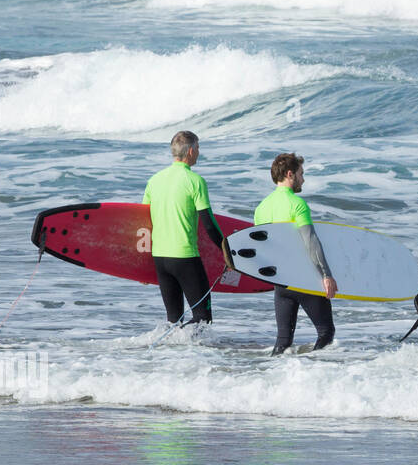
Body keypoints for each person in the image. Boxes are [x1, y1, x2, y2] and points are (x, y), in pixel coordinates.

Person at [142, 130, 233, 326]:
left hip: (159, 258)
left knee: (174, 320)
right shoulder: (195, 181)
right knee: (203, 319)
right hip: (185, 257)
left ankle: (175, 355)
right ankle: (195, 355)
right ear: (190, 151)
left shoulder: (154, 180)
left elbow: (143, 225)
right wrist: (226, 251)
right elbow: (208, 223)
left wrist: (139, 265)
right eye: (198, 148)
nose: (199, 153)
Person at [254, 152, 338, 355]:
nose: (304, 179)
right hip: (303, 279)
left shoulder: (261, 208)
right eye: (301, 173)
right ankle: (315, 377)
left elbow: (262, 246)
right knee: (326, 332)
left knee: (283, 341)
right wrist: (326, 275)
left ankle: (269, 375)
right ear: (290, 174)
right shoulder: (297, 204)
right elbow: (311, 242)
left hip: (281, 282)